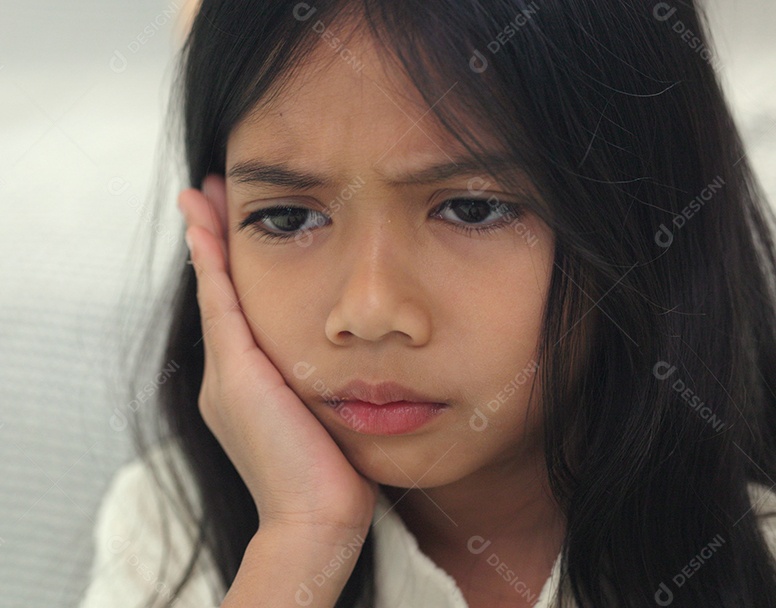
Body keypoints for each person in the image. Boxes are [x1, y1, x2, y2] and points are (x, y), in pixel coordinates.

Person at [79, 1, 776, 606]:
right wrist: (300, 543)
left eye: (472, 209)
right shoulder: (171, 526)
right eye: (288, 218)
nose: (369, 311)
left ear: (645, 216)